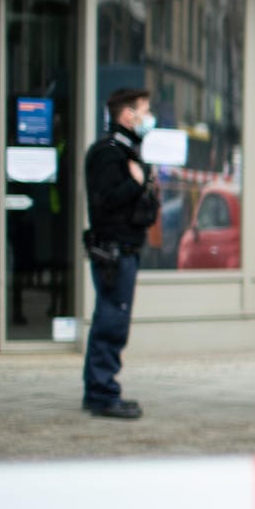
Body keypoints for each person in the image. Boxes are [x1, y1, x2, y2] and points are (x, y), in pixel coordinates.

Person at [81, 87, 160, 419]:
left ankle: (101, 388)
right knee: (111, 321)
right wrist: (136, 183)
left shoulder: (128, 150)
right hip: (113, 249)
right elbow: (106, 201)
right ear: (128, 114)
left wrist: (143, 185)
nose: (148, 117)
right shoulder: (108, 152)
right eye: (144, 110)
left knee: (114, 318)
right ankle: (101, 393)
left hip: (126, 247)